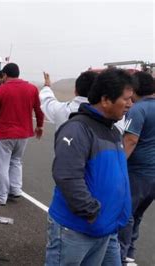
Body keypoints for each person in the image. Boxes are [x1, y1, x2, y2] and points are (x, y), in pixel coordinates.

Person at [45, 69, 134, 266]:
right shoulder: (77, 129)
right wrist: (92, 212)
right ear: (105, 100)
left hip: (105, 227)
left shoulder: (112, 130)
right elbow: (67, 176)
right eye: (126, 99)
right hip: (77, 229)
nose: (130, 104)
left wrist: (121, 212)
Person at [0, 63, 44, 205]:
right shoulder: (32, 88)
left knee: (1, 165)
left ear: (5, 75)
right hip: (24, 133)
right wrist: (40, 126)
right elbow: (39, 110)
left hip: (6, 133)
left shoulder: (2, 90)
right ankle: (16, 190)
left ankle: (1, 196)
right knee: (16, 161)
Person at [118, 71, 155, 265]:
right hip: (152, 174)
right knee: (137, 214)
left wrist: (118, 166)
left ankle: (120, 255)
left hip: (137, 172)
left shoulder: (138, 110)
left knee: (126, 213)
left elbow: (131, 139)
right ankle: (130, 252)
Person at [40, 71, 126, 133]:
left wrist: (47, 86)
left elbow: (47, 100)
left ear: (75, 91)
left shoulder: (61, 110)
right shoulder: (108, 116)